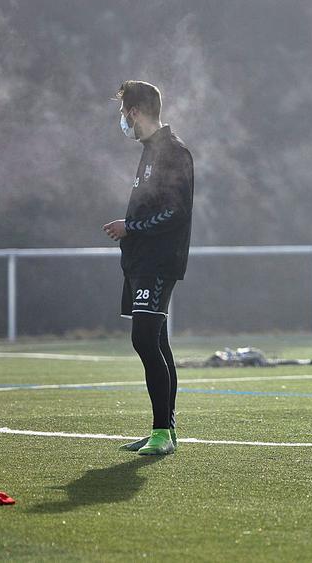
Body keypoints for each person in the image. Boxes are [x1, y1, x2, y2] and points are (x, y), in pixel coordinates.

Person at [105, 81, 194, 455]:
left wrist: (131, 228)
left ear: (136, 111)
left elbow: (176, 213)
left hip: (159, 261)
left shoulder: (173, 152)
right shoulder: (150, 152)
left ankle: (162, 432)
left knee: (144, 338)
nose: (122, 119)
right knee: (157, 341)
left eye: (125, 111)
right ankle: (165, 430)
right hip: (142, 261)